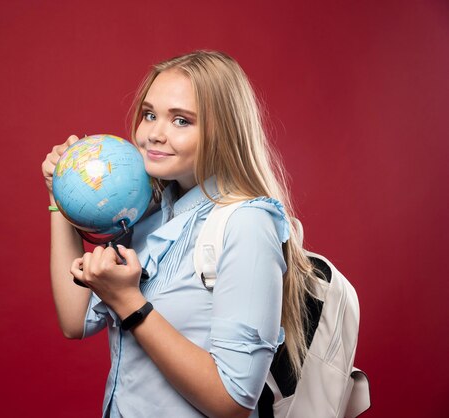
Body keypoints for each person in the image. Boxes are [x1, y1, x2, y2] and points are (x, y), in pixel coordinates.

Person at [41, 50, 318, 418]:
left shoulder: (247, 223)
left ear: (223, 131)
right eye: (150, 114)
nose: (155, 134)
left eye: (182, 121)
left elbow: (232, 401)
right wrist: (61, 196)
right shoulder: (150, 212)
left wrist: (129, 302)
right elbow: (75, 321)